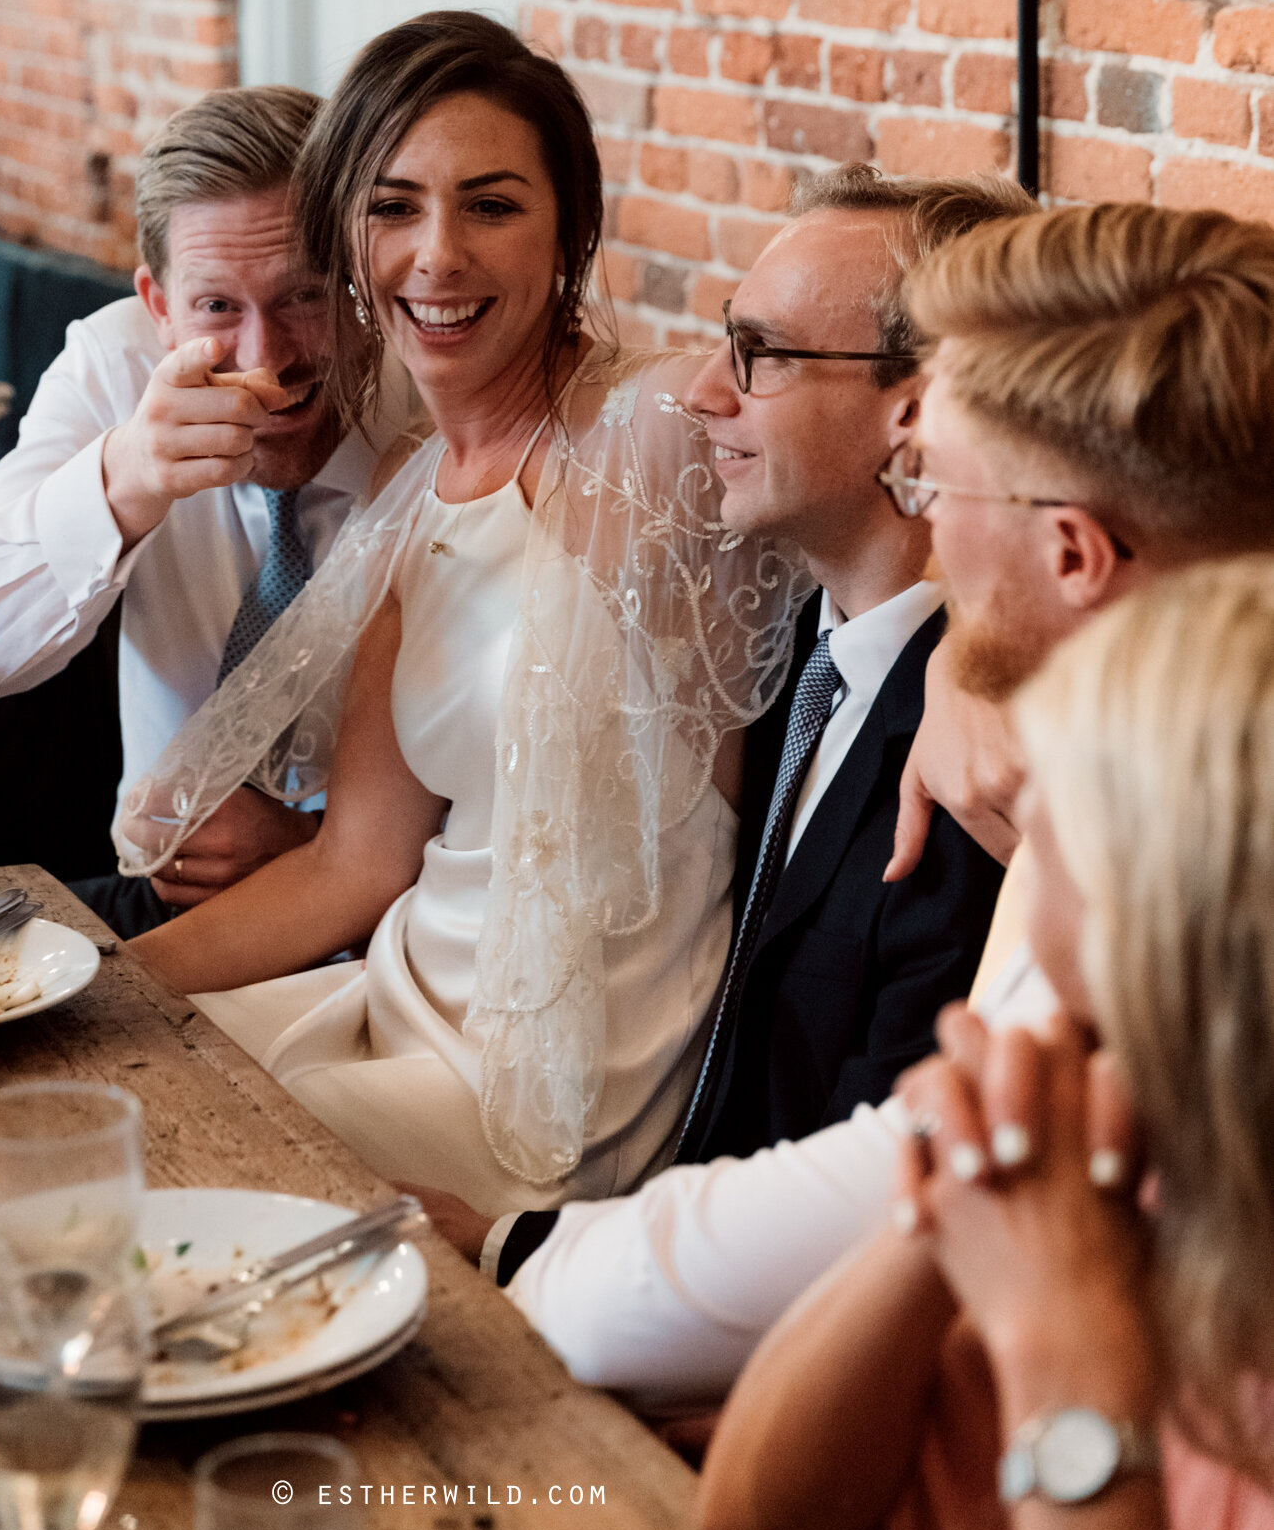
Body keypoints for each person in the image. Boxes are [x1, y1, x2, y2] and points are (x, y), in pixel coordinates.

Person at [498, 200, 1274, 1405]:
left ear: (1072, 555)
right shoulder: (1095, 746)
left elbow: (644, 1299)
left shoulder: (1140, 843)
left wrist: (519, 1253)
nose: (922, 518)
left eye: (937, 479)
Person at [116, 11, 807, 1219]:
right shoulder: (408, 493)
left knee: (137, 1153)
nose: (435, 255)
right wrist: (98, 982)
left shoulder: (653, 431)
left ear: (568, 234)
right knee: (82, 1075)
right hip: (392, 999)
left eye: (490, 205)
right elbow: (354, 864)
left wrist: (970, 687)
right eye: (392, 208)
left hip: (544, 1086)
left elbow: (881, 482)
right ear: (346, 238)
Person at [474, 166, 1026, 1292]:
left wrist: (512, 1249)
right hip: (641, 1218)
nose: (703, 394)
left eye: (760, 353)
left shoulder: (979, 765)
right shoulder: (781, 637)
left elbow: (877, 1199)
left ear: (915, 407)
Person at [699, 555, 1274, 1530]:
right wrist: (938, 1198)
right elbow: (751, 1515)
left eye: (1047, 807)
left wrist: (1066, 1340)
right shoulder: (1098, 1121)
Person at [0, 84, 385, 937]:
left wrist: (315, 844)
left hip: (374, 935)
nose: (264, 359)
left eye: (303, 297)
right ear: (158, 305)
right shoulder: (114, 362)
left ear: (358, 279)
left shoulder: (430, 420)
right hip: (156, 908)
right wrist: (127, 476)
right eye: (217, 307)